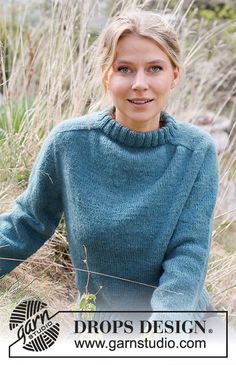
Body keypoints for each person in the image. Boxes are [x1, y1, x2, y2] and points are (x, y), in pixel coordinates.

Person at [0, 10, 219, 323]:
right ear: (106, 75)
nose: (140, 84)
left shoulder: (196, 151)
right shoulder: (70, 143)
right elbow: (28, 223)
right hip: (101, 329)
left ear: (174, 75)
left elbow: (188, 256)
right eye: (125, 69)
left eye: (155, 68)